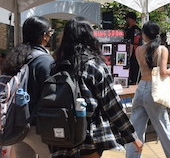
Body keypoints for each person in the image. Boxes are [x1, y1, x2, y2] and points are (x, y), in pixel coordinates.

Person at [46, 17, 142, 157]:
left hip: (61, 132)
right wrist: (132, 136)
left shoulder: (56, 66)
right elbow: (112, 105)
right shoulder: (94, 66)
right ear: (89, 37)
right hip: (89, 134)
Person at [125, 21, 170, 158]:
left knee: (136, 129)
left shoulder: (139, 50)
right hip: (154, 90)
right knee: (164, 129)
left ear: (144, 34)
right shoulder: (162, 50)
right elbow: (162, 72)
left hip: (141, 88)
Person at [5, 16, 55, 158]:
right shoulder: (45, 60)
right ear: (44, 36)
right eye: (50, 32)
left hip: (16, 123)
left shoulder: (16, 56)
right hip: (36, 126)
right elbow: (49, 94)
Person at [124, 11, 142, 85]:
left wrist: (128, 57)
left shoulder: (130, 31)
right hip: (139, 54)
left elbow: (130, 44)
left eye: (127, 19)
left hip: (132, 55)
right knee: (137, 74)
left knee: (132, 75)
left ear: (130, 19)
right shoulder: (139, 30)